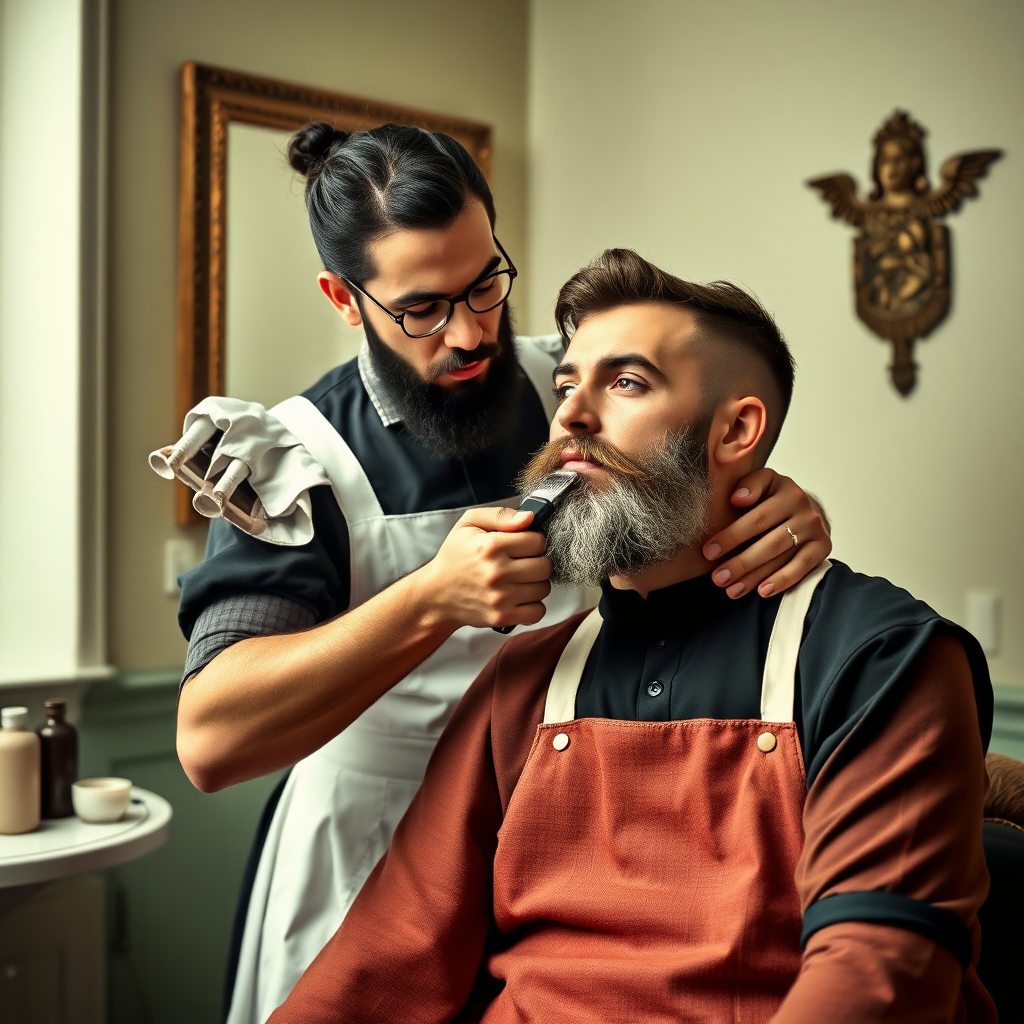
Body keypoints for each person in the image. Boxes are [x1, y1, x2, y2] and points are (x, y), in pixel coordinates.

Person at [174, 125, 833, 1024]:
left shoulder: (573, 389)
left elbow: (690, 488)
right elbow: (211, 740)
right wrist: (431, 599)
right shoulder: (296, 459)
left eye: (486, 281)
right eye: (423, 308)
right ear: (343, 296)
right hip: (372, 862)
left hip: (571, 836)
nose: (470, 331)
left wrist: (771, 503)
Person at [268, 249, 994, 1024]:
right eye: (566, 385)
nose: (572, 417)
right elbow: (387, 956)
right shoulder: (523, 678)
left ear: (737, 430)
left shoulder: (882, 659)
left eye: (625, 383)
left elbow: (881, 974)